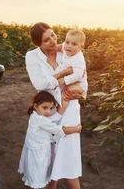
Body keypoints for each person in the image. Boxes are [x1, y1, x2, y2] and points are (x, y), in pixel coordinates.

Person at [25, 22, 86, 189]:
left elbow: (83, 76)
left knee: (68, 156)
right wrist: (62, 74)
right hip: (49, 111)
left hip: (70, 108)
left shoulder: (66, 50)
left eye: (53, 35)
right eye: (46, 40)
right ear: (38, 44)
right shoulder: (32, 56)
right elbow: (40, 85)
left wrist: (81, 90)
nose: (52, 41)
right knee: (49, 157)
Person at [18, 91, 82, 189]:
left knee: (36, 178)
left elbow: (51, 119)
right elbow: (58, 129)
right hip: (38, 156)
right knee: (39, 180)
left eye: (51, 108)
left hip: (37, 154)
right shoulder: (40, 120)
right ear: (35, 106)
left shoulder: (35, 115)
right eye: (45, 108)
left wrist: (63, 107)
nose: (48, 111)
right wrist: (76, 129)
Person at [58, 29, 88, 99]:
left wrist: (64, 80)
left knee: (67, 92)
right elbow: (59, 46)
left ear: (81, 47)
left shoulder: (79, 59)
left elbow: (78, 75)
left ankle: (81, 97)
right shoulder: (66, 48)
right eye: (67, 42)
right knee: (60, 90)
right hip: (70, 81)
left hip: (79, 84)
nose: (69, 46)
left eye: (74, 44)